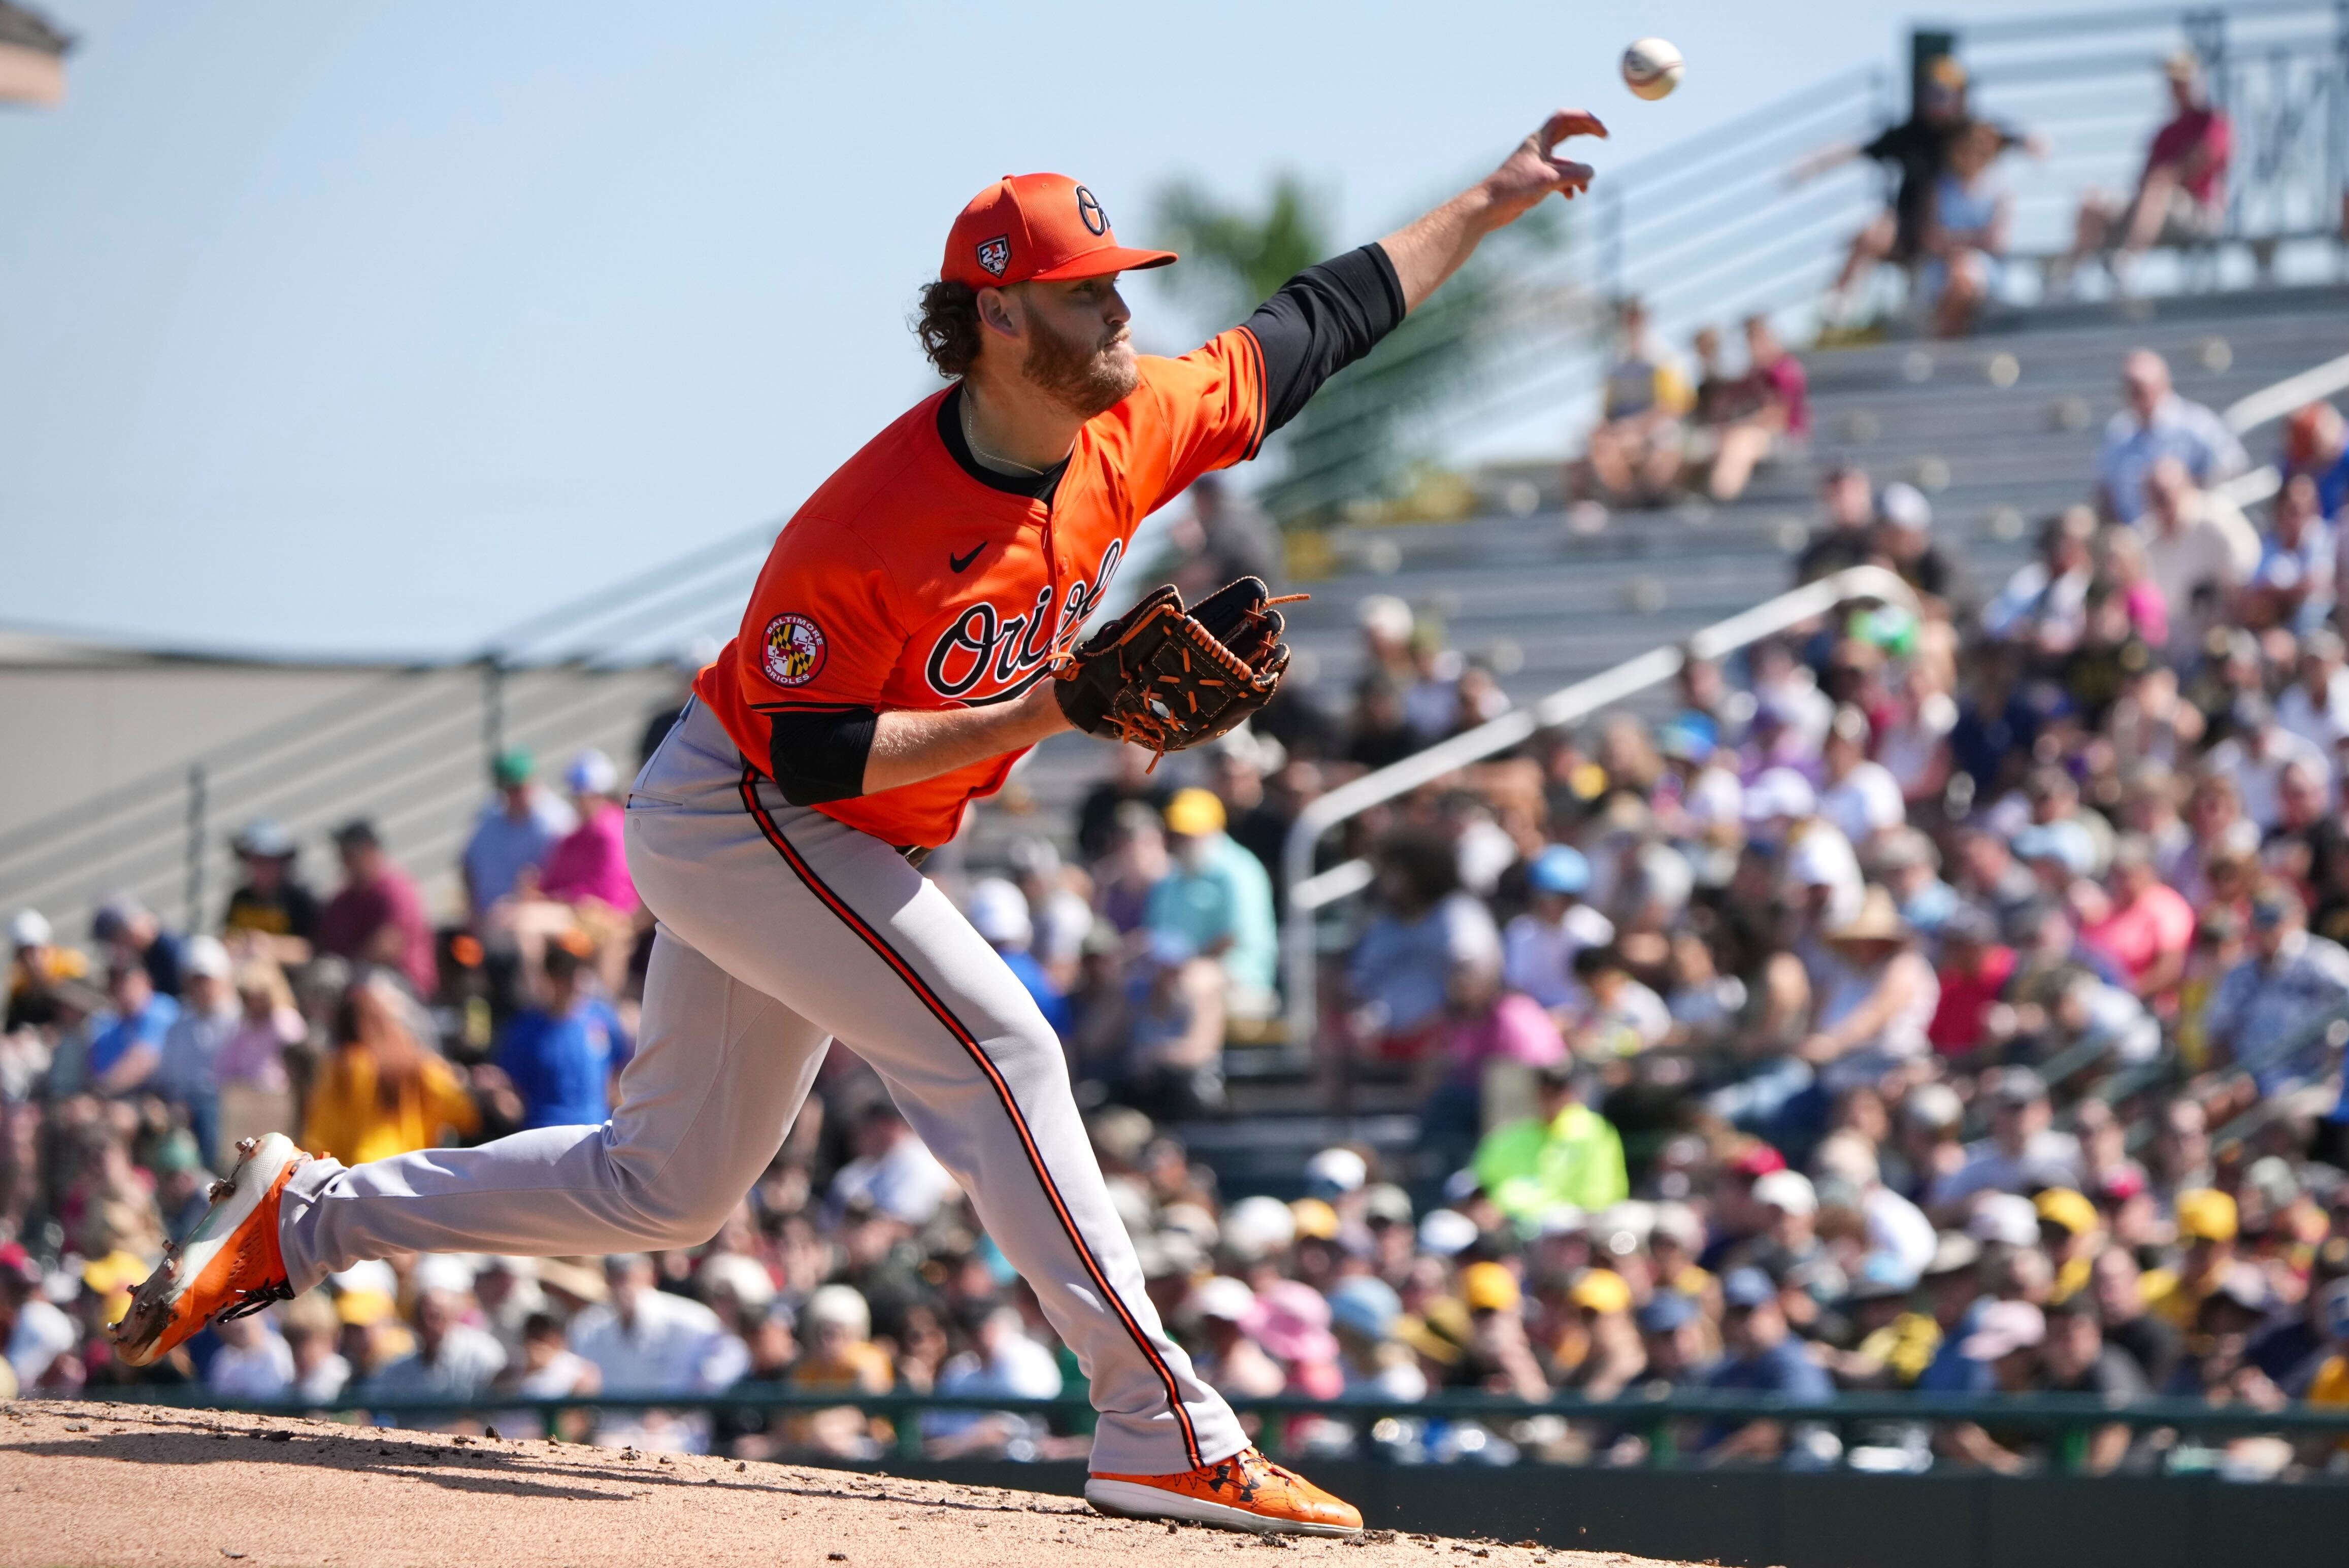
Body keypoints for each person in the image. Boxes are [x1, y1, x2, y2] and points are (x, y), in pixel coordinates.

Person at [114, 119, 1616, 1536]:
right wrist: (1056, 711)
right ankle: (1166, 1425)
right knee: (1002, 1045)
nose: (1123, 320)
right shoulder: (868, 527)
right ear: (1002, 321)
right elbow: (818, 763)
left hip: (834, 837)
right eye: (1090, 298)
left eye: (1119, 292)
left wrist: (1487, 201)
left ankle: (301, 1222)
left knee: (669, 1187)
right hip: (748, 810)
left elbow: (1318, 323)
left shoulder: (1132, 419)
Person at [2058, 52, 2233, 292]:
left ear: (2197, 83)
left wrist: (2166, 178)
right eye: (2173, 82)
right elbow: (2142, 181)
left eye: (2182, 82)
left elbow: (2201, 161)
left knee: (2159, 184)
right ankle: (2062, 280)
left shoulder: (2214, 123)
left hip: (2199, 213)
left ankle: (2128, 262)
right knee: (2093, 202)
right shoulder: (2165, 133)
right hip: (2153, 209)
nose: (2176, 88)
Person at [1143, 788, 1278, 1019]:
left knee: (1195, 981)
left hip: (1241, 977)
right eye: (1177, 833)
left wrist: (1184, 965)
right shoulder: (1172, 876)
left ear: (1214, 832)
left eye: (1189, 833)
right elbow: (1156, 934)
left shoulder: (1240, 871)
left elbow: (1232, 937)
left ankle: (1196, 1053)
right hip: (1178, 971)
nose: (1180, 841)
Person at [492, 937, 631, 1131]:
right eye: (565, 973)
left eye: (580, 971)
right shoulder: (524, 1031)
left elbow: (619, 1074)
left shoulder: (604, 1018)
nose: (574, 980)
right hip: (546, 1134)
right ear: (551, 977)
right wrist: (496, 1096)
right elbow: (513, 1100)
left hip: (596, 1135)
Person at [2096, 351, 2247, 525]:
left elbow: (2232, 466)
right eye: (2130, 389)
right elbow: (2107, 493)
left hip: (2190, 536)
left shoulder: (2197, 424)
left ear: (2162, 384)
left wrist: (2190, 489)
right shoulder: (2118, 433)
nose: (2136, 396)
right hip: (2137, 541)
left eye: (2141, 389)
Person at [1580, 297, 1691, 507]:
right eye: (1627, 319)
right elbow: (1608, 410)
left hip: (1655, 431)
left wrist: (1636, 428)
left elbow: (1674, 407)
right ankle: (1627, 502)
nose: (1631, 325)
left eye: (1635, 319)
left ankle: (1643, 502)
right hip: (1624, 433)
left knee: (1657, 451)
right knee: (1601, 449)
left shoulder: (1664, 357)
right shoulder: (1615, 360)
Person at [317, 819, 439, 998]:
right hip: (356, 981)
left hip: (405, 985)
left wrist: (351, 965)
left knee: (367, 982)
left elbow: (390, 945)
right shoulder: (344, 898)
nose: (344, 861)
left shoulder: (395, 888)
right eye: (343, 855)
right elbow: (327, 945)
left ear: (370, 851)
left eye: (350, 854)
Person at [460, 749, 578, 922]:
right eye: (508, 790)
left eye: (519, 788)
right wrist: (473, 911)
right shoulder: (489, 817)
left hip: (538, 916)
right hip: (488, 919)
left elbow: (568, 877)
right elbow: (467, 864)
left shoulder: (556, 821)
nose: (514, 795)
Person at [1704, 315, 1808, 503]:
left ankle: (1718, 502)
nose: (1753, 346)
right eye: (1750, 339)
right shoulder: (1753, 373)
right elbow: (1726, 404)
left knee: (1739, 442)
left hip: (1785, 439)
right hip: (1754, 434)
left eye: (1758, 338)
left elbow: (1777, 418)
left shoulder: (1784, 369)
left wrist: (1737, 428)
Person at [1922, 120, 2011, 338]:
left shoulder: (2000, 190)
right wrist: (1969, 242)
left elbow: (1996, 242)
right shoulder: (1939, 187)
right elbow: (1931, 239)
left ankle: (1945, 343)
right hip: (1942, 267)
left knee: (1962, 275)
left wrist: (1954, 243)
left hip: (1986, 269)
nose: (1972, 156)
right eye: (1966, 149)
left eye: (1980, 150)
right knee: (1959, 274)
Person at [220, 818, 321, 964]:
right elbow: (227, 938)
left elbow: (313, 949)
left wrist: (269, 946)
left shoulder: (299, 899)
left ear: (282, 863)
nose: (259, 868)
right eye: (254, 861)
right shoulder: (240, 898)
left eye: (266, 861)